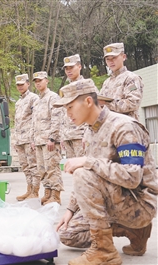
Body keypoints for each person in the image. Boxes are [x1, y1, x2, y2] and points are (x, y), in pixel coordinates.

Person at [54, 78, 156, 265]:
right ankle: (134, 232)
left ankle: (104, 251)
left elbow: (133, 177)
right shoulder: (91, 130)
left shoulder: (124, 126)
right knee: (68, 234)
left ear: (88, 101)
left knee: (83, 171)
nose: (67, 113)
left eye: (70, 107)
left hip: (139, 204)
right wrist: (70, 209)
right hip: (118, 198)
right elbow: (95, 175)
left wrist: (88, 162)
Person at [30, 71, 64, 205]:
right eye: (36, 81)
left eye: (40, 80)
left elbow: (56, 118)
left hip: (48, 141)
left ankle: (56, 195)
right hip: (39, 141)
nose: (38, 83)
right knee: (42, 169)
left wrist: (52, 138)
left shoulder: (53, 97)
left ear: (46, 80)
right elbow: (34, 121)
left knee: (52, 168)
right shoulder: (37, 101)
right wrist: (32, 139)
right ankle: (48, 193)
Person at [13, 74, 41, 201]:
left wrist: (34, 138)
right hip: (19, 139)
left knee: (33, 166)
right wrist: (15, 138)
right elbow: (17, 121)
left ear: (28, 84)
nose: (20, 87)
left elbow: (36, 118)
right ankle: (29, 189)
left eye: (22, 84)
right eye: (18, 85)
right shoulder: (18, 102)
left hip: (29, 138)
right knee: (25, 166)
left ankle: (35, 191)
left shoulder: (33, 98)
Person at [99, 42, 144, 121]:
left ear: (123, 57)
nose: (111, 62)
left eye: (114, 58)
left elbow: (132, 103)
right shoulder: (106, 83)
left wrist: (107, 103)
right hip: (110, 128)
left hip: (127, 127)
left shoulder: (131, 78)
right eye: (107, 59)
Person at [61, 54, 86, 158]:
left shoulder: (86, 85)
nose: (68, 71)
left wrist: (88, 134)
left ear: (79, 67)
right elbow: (63, 114)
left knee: (84, 170)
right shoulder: (65, 89)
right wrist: (62, 135)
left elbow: (94, 112)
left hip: (81, 136)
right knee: (73, 172)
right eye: (66, 68)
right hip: (68, 137)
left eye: (71, 67)